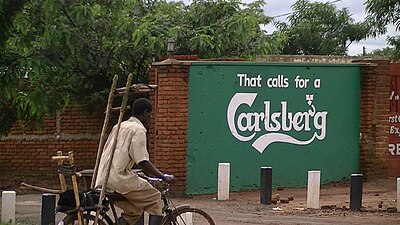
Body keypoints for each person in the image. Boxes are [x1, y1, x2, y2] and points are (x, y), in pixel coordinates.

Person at [95, 98, 174, 225]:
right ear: (144, 113)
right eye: (151, 114)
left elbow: (118, 157)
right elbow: (142, 160)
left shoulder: (119, 126)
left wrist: (135, 173)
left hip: (103, 179)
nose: (151, 118)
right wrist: (162, 176)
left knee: (135, 211)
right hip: (119, 180)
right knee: (155, 200)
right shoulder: (138, 130)